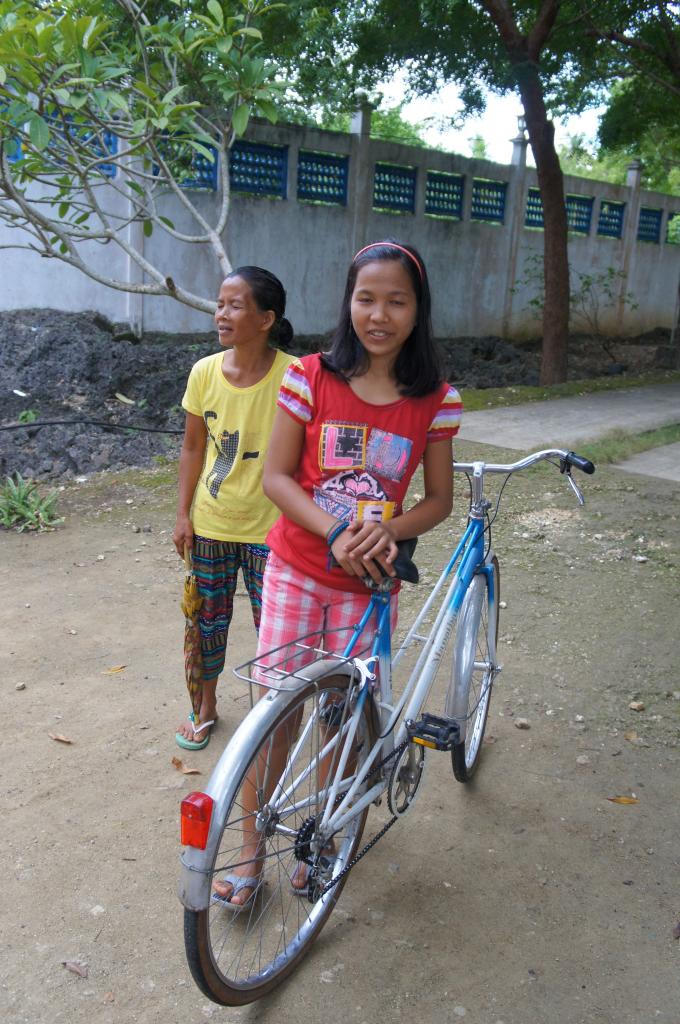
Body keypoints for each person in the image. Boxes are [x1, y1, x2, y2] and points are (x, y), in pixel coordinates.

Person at [213, 239, 462, 906]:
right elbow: (276, 477)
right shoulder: (310, 377)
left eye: (395, 301)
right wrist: (336, 530)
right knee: (277, 711)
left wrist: (390, 528)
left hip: (370, 587)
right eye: (365, 298)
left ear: (418, 310)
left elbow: (437, 501)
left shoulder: (436, 400)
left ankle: (321, 835)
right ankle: (246, 854)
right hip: (297, 567)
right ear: (348, 301)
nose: (378, 314)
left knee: (341, 716)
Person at [173, 267, 298, 750]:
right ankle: (205, 707)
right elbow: (191, 448)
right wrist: (183, 514)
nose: (221, 314)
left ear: (266, 318)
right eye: (220, 304)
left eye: (235, 305)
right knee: (205, 622)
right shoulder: (204, 372)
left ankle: (271, 716)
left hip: (275, 529)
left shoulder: (296, 375)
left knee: (278, 628)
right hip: (211, 524)